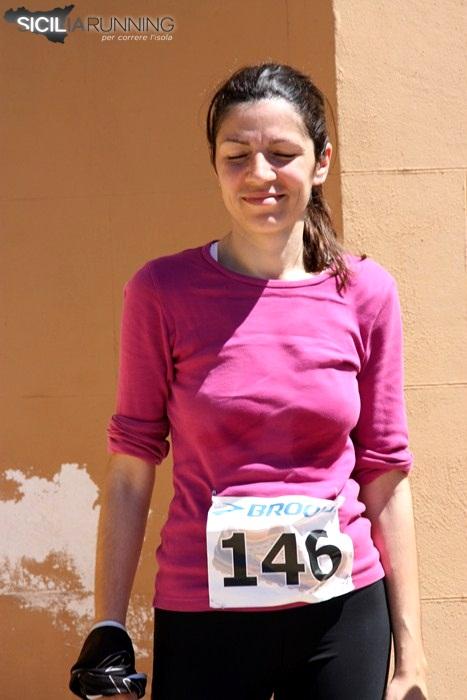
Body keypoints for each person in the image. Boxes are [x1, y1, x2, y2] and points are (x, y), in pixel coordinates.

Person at [69, 62, 429, 700]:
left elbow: (384, 472)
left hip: (342, 613)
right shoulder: (161, 292)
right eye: (237, 156)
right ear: (215, 166)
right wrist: (109, 624)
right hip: (204, 616)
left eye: (282, 154)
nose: (260, 174)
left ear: (320, 163)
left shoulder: (366, 292)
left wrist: (412, 661)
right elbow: (130, 468)